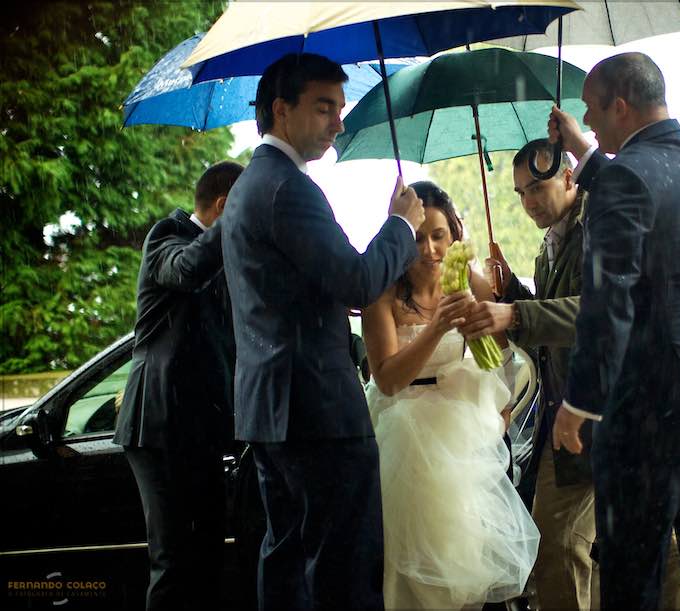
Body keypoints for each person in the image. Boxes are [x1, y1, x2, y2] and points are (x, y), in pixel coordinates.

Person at [550, 51, 680, 611]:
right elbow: (645, 192)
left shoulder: (626, 180)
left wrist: (579, 402)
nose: (588, 121)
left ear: (620, 105)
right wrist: (582, 152)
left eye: (593, 111)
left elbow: (607, 302)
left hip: (656, 404)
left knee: (631, 558)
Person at [221, 53, 424, 611]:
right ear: (282, 111)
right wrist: (401, 226)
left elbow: (293, 293)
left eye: (339, 107)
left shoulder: (246, 187)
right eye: (324, 107)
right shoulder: (288, 188)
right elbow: (358, 280)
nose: (338, 121)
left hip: (269, 410)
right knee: (344, 569)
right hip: (317, 410)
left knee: (286, 563)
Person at [462, 139, 680, 611]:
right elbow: (553, 325)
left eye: (537, 188)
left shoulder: (599, 226)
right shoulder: (552, 241)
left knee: (648, 543)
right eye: (520, 193)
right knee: (567, 545)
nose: (528, 203)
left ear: (568, 177)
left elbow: (598, 310)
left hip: (620, 408)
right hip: (571, 415)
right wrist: (514, 291)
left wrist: (517, 314)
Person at [361, 181, 540, 611]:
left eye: (438, 235)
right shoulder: (381, 293)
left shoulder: (472, 282)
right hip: (403, 434)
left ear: (454, 235)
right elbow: (386, 379)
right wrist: (439, 327)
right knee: (411, 571)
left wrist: (500, 411)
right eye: (418, 237)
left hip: (464, 436)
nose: (428, 249)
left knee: (465, 568)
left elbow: (502, 359)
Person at [114, 160, 244, 611]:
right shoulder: (166, 236)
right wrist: (234, 225)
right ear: (226, 207)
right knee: (172, 562)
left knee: (209, 554)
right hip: (157, 423)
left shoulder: (228, 257)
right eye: (247, 208)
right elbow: (187, 270)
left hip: (205, 429)